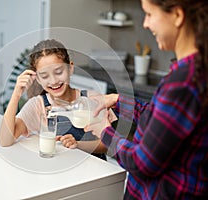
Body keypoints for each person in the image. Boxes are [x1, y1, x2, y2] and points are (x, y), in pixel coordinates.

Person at [86, 0, 208, 199]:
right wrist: (116, 100)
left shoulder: (183, 82)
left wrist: (104, 131)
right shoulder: (195, 71)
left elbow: (141, 163)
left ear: (177, 16)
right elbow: (160, 119)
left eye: (150, 14)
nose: (145, 24)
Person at [0, 39, 117, 160]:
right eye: (44, 76)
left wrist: (78, 145)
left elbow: (109, 145)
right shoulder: (38, 105)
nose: (54, 81)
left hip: (96, 171)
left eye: (59, 72)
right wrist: (16, 94)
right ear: (38, 79)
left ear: (70, 68)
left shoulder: (92, 99)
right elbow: (5, 140)